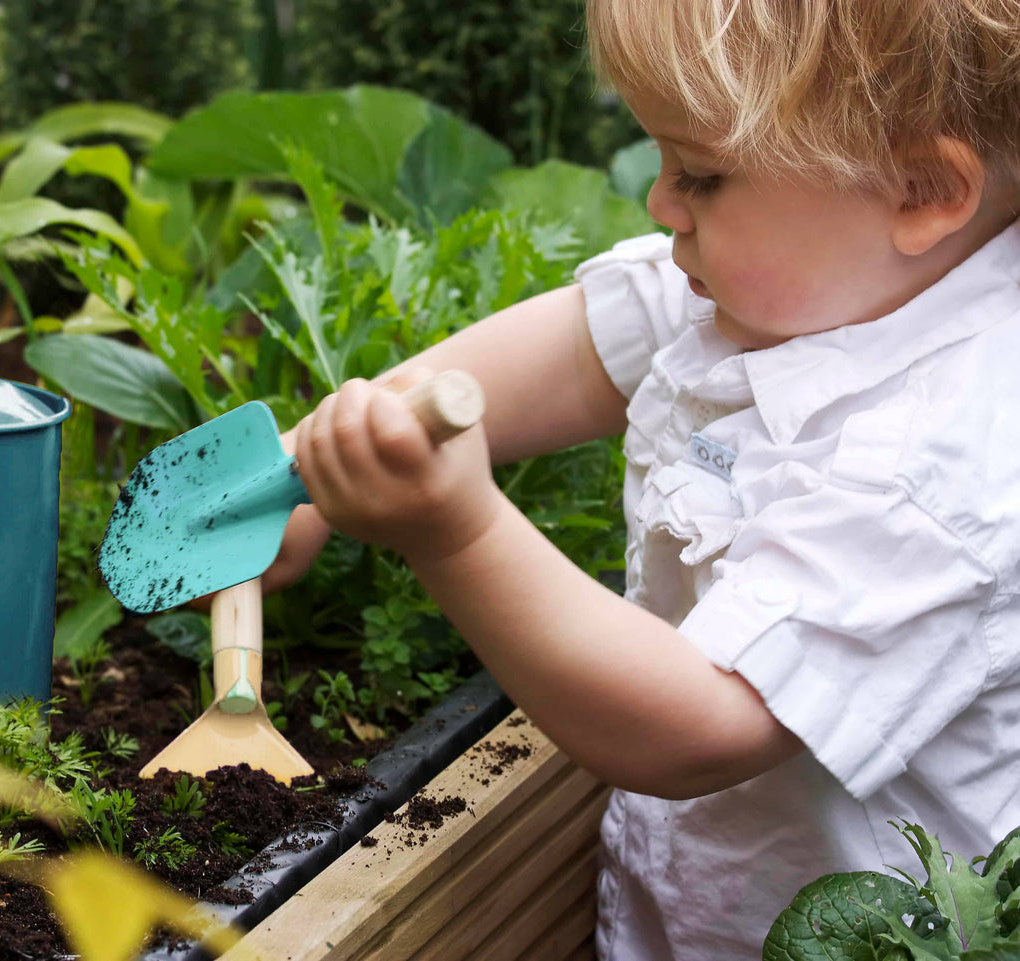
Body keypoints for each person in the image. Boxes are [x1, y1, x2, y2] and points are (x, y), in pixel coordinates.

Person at [260, 1, 1020, 957]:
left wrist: (451, 531)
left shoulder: (947, 461)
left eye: (700, 173)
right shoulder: (802, 279)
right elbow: (578, 353)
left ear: (920, 190)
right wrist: (310, 463)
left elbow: (697, 725)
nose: (661, 206)